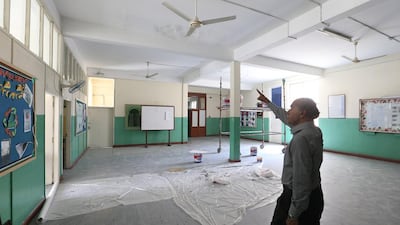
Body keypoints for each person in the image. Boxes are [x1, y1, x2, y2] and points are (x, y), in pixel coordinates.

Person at [257, 89, 324, 225]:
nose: (288, 111)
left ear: (302, 113)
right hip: (314, 194)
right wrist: (268, 102)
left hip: (297, 198)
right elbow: (283, 115)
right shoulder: (313, 130)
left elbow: (301, 179)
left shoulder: (301, 139)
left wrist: (294, 213)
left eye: (291, 108)